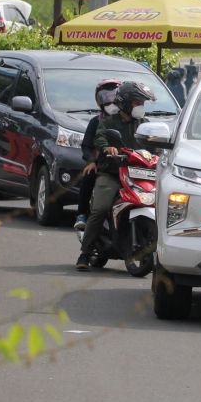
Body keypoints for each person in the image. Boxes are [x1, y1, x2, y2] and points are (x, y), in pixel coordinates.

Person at [76, 82, 156, 271]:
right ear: (126, 103)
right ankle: (85, 253)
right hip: (112, 173)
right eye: (138, 102)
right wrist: (107, 148)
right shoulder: (109, 122)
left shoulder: (144, 124)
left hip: (139, 174)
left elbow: (154, 144)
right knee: (100, 209)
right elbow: (100, 137)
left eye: (142, 103)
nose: (141, 107)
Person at [75, 79, 121, 231]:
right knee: (88, 175)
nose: (110, 101)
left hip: (123, 165)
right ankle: (82, 214)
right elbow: (86, 146)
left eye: (114, 96)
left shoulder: (129, 121)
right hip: (101, 165)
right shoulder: (96, 122)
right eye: (105, 97)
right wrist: (91, 161)